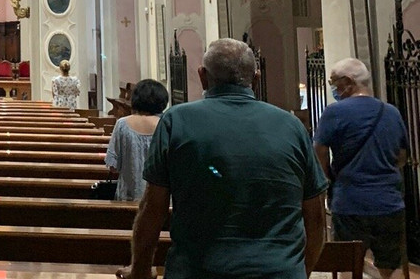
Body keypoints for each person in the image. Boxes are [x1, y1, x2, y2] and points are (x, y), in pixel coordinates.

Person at [118, 38, 327, 279]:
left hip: (198, 271)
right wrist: (299, 270)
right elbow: (316, 216)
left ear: (202, 76)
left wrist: (140, 270)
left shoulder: (176, 121)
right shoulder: (292, 127)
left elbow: (153, 209)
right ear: (256, 79)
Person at [314, 58, 408, 279]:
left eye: (334, 83)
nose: (334, 89)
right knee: (391, 264)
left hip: (350, 201)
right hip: (389, 202)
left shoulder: (334, 112)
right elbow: (402, 156)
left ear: (348, 82)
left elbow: (319, 151)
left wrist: (328, 178)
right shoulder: (391, 112)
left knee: (348, 264)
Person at [105, 78, 168, 201]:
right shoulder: (166, 125)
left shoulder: (122, 124)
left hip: (128, 196)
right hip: (159, 198)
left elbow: (113, 166)